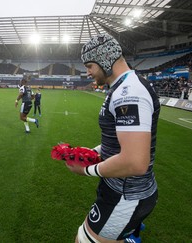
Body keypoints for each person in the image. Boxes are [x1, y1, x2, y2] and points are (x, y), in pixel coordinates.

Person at [65, 33, 160, 243]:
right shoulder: (122, 87)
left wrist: (86, 170)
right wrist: (93, 152)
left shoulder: (129, 92)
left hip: (127, 195)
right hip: (119, 190)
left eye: (90, 65)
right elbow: (118, 141)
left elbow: (135, 162)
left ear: (104, 60)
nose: (87, 72)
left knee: (82, 240)